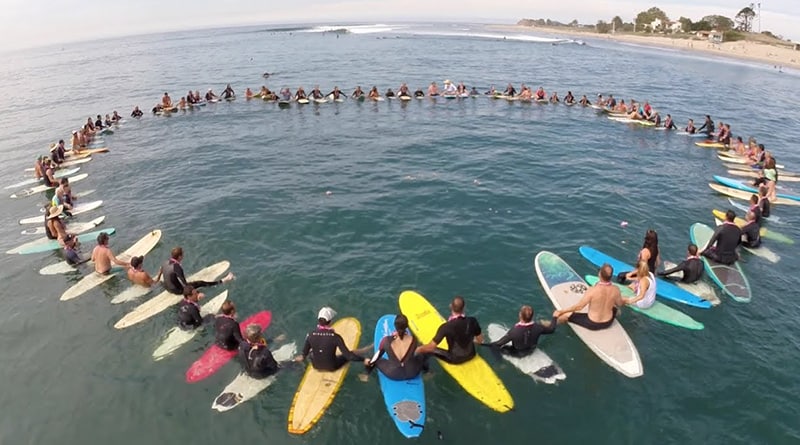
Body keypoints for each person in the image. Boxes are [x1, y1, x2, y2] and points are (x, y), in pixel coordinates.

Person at [554, 264, 624, 330]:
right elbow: (620, 303)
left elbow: (579, 307)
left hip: (593, 323)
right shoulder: (616, 289)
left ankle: (552, 325)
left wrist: (561, 311)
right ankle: (614, 319)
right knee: (616, 309)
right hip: (608, 322)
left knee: (565, 315)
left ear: (599, 274)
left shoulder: (592, 290)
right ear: (611, 276)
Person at [415, 296, 482, 365]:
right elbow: (480, 340)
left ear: (451, 306)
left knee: (427, 350)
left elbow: (431, 347)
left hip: (455, 359)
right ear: (464, 307)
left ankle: (427, 371)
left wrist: (418, 349)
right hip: (472, 355)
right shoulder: (472, 321)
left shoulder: (446, 327)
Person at [295, 307, 363, 371]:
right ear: (330, 321)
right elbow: (349, 356)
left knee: (312, 352)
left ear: (319, 320)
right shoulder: (335, 337)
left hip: (315, 366)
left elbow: (304, 353)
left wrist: (301, 357)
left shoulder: (310, 335)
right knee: (349, 354)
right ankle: (368, 349)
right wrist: (363, 359)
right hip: (332, 367)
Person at [362, 314, 426, 381]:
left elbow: (377, 356)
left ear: (395, 327)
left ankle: (366, 375)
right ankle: (427, 372)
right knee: (422, 355)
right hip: (413, 372)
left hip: (394, 374)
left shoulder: (386, 341)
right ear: (407, 326)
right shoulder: (414, 340)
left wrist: (369, 363)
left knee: (373, 359)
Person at [157, 247, 235, 295]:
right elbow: (185, 284)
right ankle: (224, 280)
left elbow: (161, 270)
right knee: (201, 283)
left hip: (166, 287)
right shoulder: (177, 267)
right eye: (183, 254)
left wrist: (157, 279)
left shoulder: (165, 262)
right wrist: (195, 293)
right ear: (180, 256)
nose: (184, 256)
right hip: (176, 291)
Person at [486, 305, 556, 357]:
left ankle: (499, 363)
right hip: (531, 350)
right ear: (532, 316)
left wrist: (487, 345)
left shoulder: (514, 331)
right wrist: (555, 317)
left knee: (495, 347)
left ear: (520, 315)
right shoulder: (539, 327)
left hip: (518, 353)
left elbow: (499, 344)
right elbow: (551, 330)